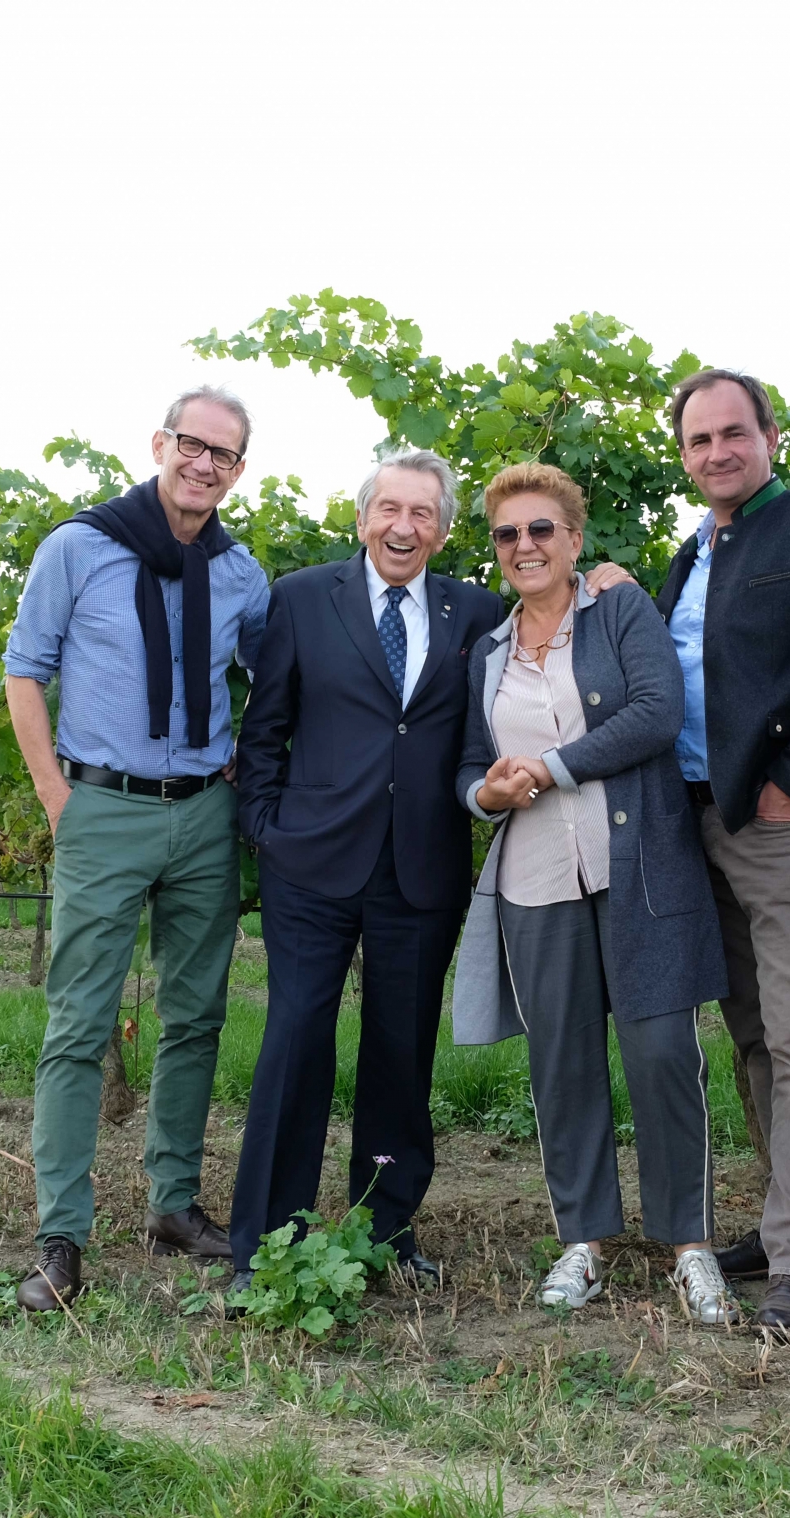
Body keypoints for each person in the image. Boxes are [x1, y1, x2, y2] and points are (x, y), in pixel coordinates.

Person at [0, 385, 272, 1312]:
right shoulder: (79, 547)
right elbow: (25, 669)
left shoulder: (241, 574)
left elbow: (272, 679)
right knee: (80, 1023)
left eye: (224, 455)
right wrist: (55, 797)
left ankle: (172, 1205)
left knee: (196, 1018)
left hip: (202, 815)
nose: (204, 464)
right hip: (103, 808)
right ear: (161, 443)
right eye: (192, 445)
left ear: (239, 471)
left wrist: (246, 759)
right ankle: (61, 1236)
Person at [451, 462, 736, 1325]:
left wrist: (554, 766)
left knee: (661, 1057)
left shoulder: (619, 609)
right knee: (561, 1065)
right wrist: (485, 795)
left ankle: (690, 1245)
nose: (525, 545)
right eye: (508, 534)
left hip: (639, 869)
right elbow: (469, 762)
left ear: (574, 539)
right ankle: (585, 1239)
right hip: (535, 881)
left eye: (542, 529)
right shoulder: (488, 653)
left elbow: (657, 712)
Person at [228, 451, 506, 1288]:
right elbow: (264, 725)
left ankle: (385, 1232)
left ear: (445, 530)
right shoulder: (304, 598)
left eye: (423, 514)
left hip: (419, 872)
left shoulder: (476, 612)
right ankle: (266, 1244)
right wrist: (266, 829)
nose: (404, 527)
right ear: (362, 518)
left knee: (398, 1057)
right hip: (309, 862)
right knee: (295, 1042)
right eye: (390, 508)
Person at [653, 369, 790, 1341]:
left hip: (783, 823)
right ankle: (781, 1221)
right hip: (697, 818)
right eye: (698, 441)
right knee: (747, 1030)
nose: (716, 452)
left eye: (731, 433)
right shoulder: (688, 553)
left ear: (770, 435)